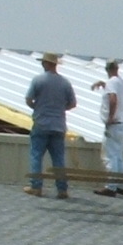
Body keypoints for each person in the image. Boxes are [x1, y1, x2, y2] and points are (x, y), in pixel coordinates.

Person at [24, 53, 77, 198]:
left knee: (36, 156)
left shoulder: (38, 80)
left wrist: (37, 107)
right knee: (58, 159)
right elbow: (73, 103)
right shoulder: (65, 83)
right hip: (58, 125)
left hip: (41, 123)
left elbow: (28, 99)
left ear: (46, 63)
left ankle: (36, 187)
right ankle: (62, 189)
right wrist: (60, 109)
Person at [90, 58, 123, 195]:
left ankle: (111, 187)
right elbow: (115, 90)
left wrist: (110, 117)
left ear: (107, 69)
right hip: (122, 124)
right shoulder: (121, 82)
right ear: (117, 68)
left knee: (109, 156)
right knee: (118, 156)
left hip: (114, 124)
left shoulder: (112, 83)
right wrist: (104, 84)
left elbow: (113, 99)